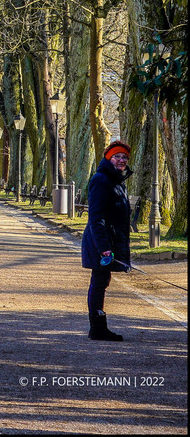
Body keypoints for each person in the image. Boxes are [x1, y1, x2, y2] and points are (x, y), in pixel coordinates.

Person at [81, 141, 133, 341]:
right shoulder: (102, 180)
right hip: (101, 241)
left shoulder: (116, 180)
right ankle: (97, 328)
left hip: (109, 240)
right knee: (99, 281)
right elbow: (96, 216)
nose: (121, 160)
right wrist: (104, 248)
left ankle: (98, 327)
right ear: (108, 158)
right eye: (117, 157)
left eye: (124, 158)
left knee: (102, 281)